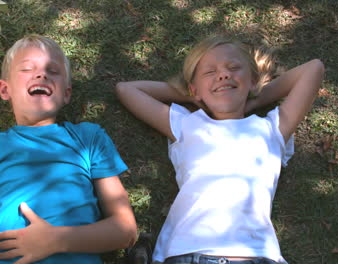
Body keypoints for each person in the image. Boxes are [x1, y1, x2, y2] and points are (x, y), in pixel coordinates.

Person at [115, 34, 324, 264]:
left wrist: (254, 99)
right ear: (194, 89)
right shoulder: (187, 124)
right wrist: (192, 96)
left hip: (256, 256)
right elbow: (127, 90)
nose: (223, 74)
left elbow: (313, 69)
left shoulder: (272, 128)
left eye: (234, 68)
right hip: (187, 253)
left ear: (253, 80)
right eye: (209, 73)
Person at [0, 34, 137, 264]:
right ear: (4, 89)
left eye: (54, 71)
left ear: (66, 93)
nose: (41, 74)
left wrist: (56, 239)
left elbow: (125, 230)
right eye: (27, 69)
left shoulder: (89, 139)